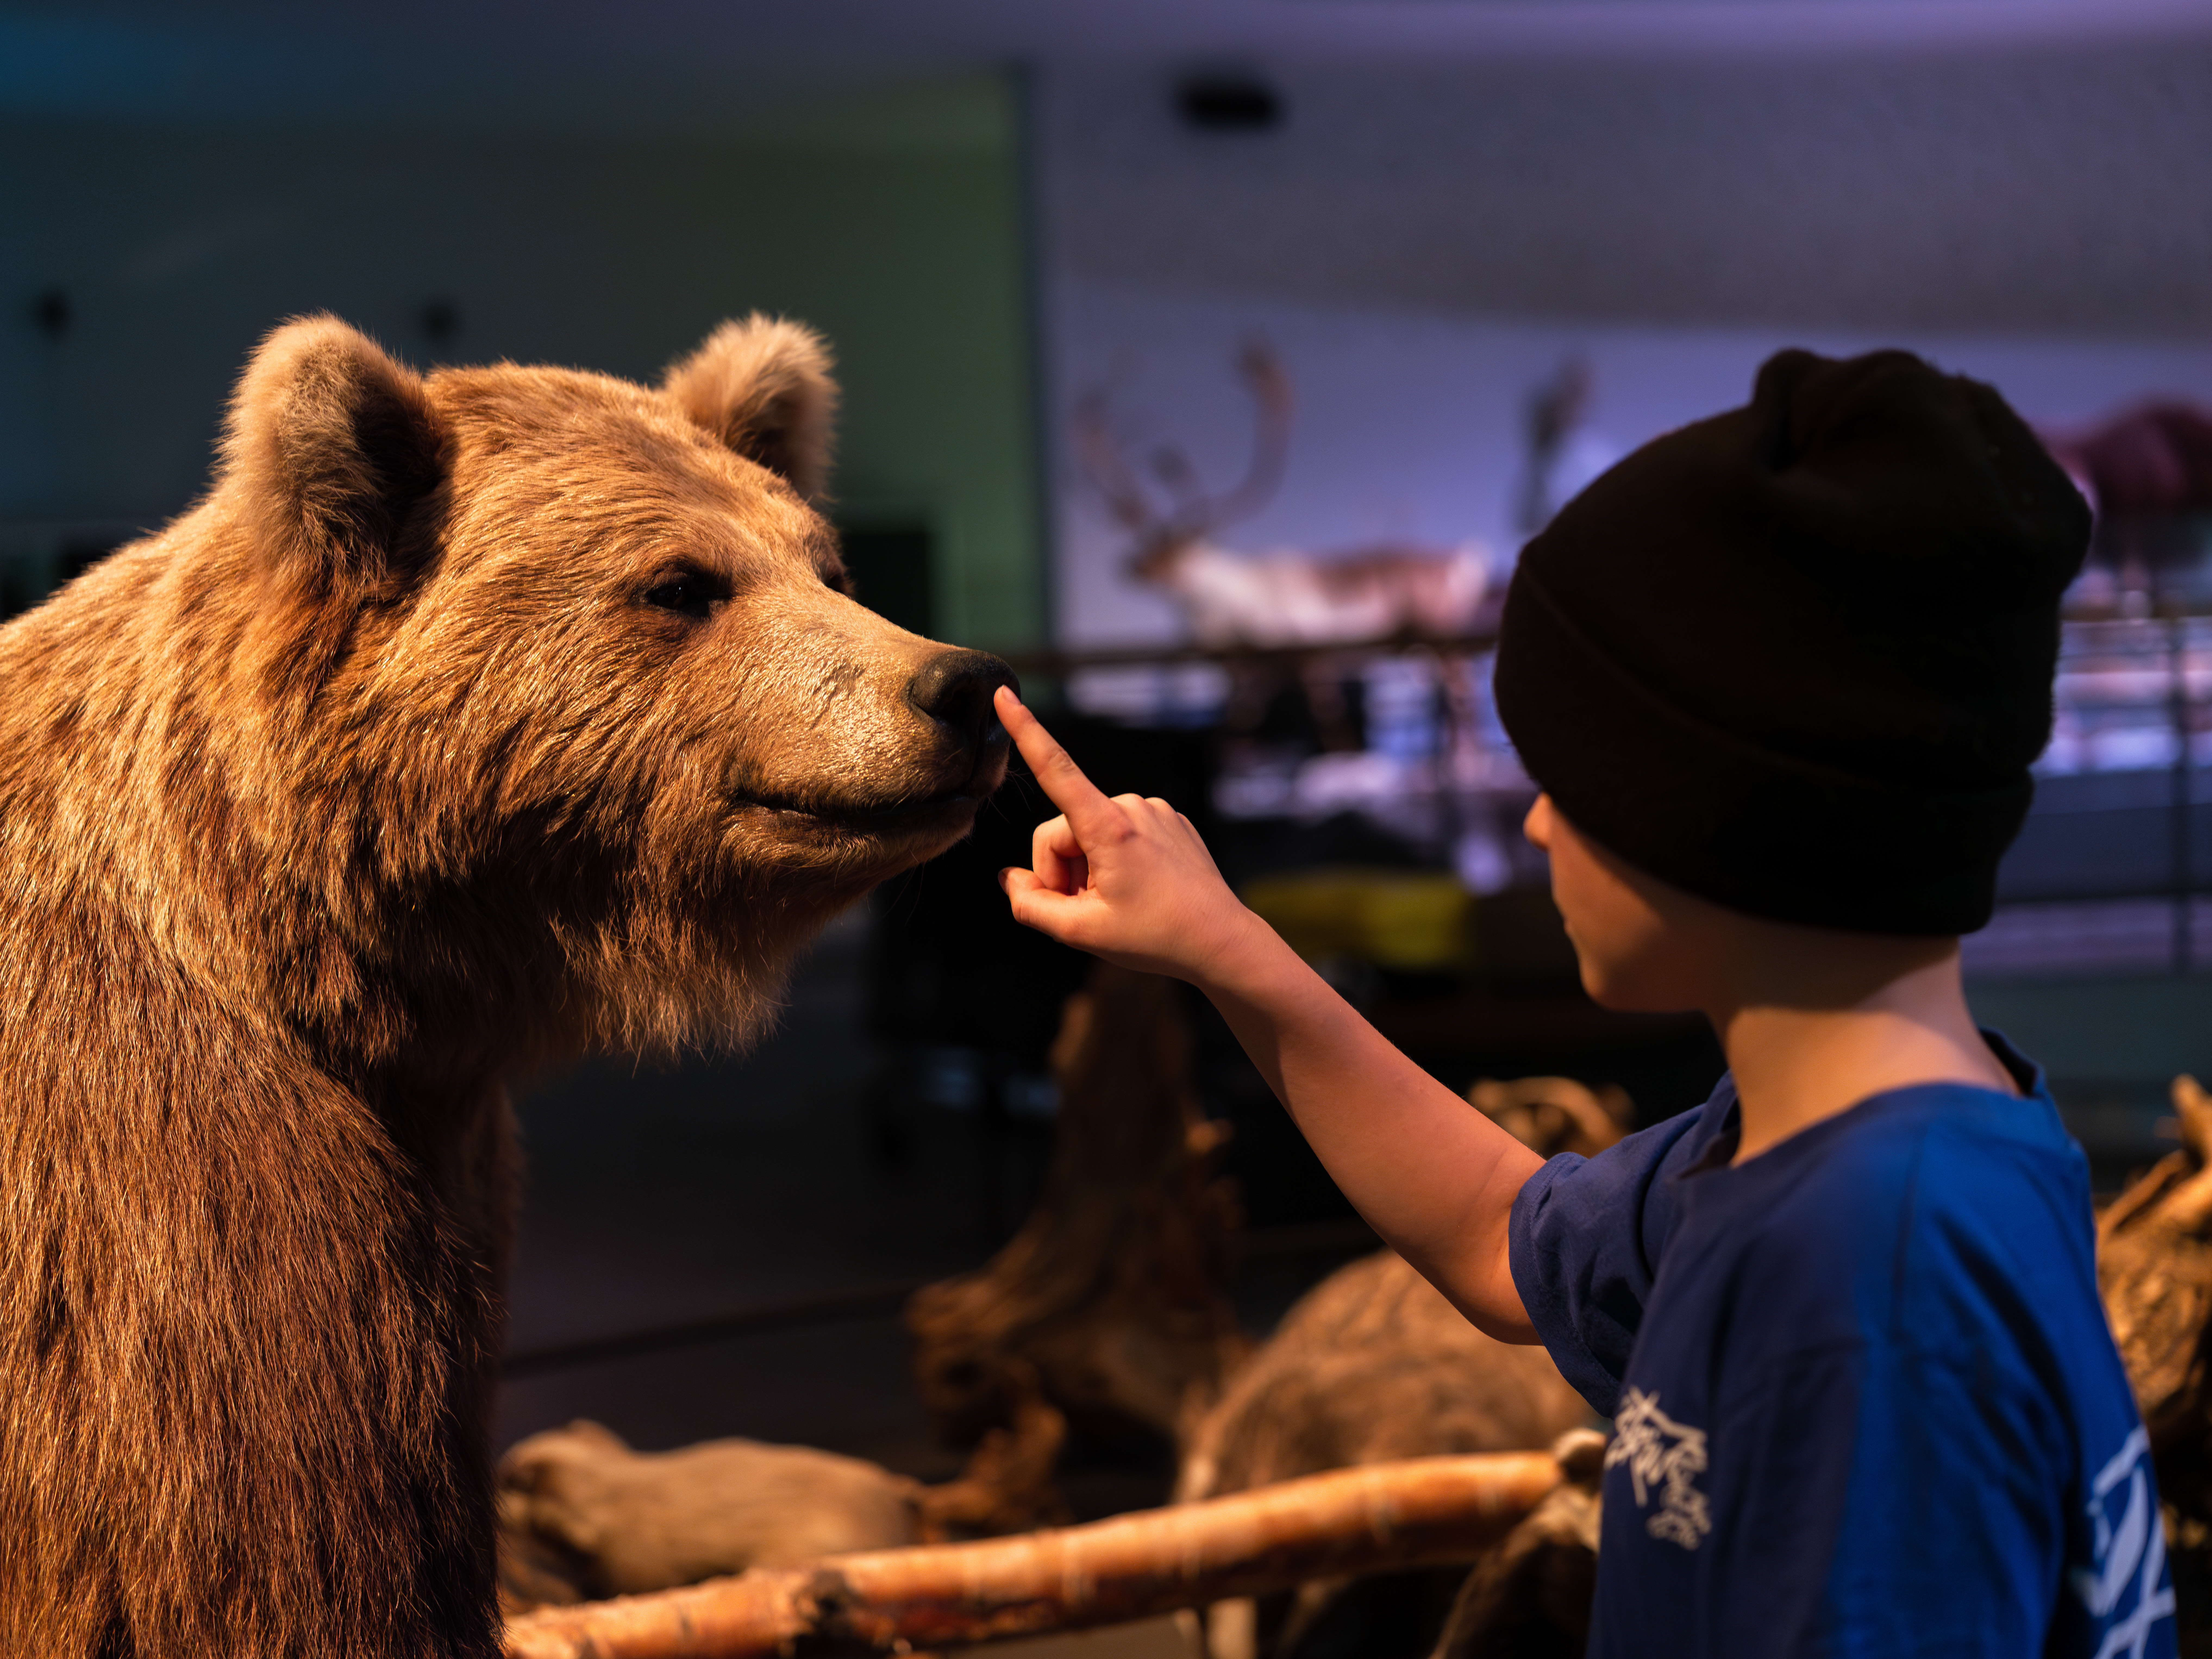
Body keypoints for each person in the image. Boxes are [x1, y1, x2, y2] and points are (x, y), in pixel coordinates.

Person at [992, 349, 2176, 1656]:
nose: (1542, 823)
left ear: (1722, 807)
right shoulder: (1865, 1146)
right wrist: (1225, 945)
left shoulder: (1868, 1300)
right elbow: (1505, 1236)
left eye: (1579, 778)